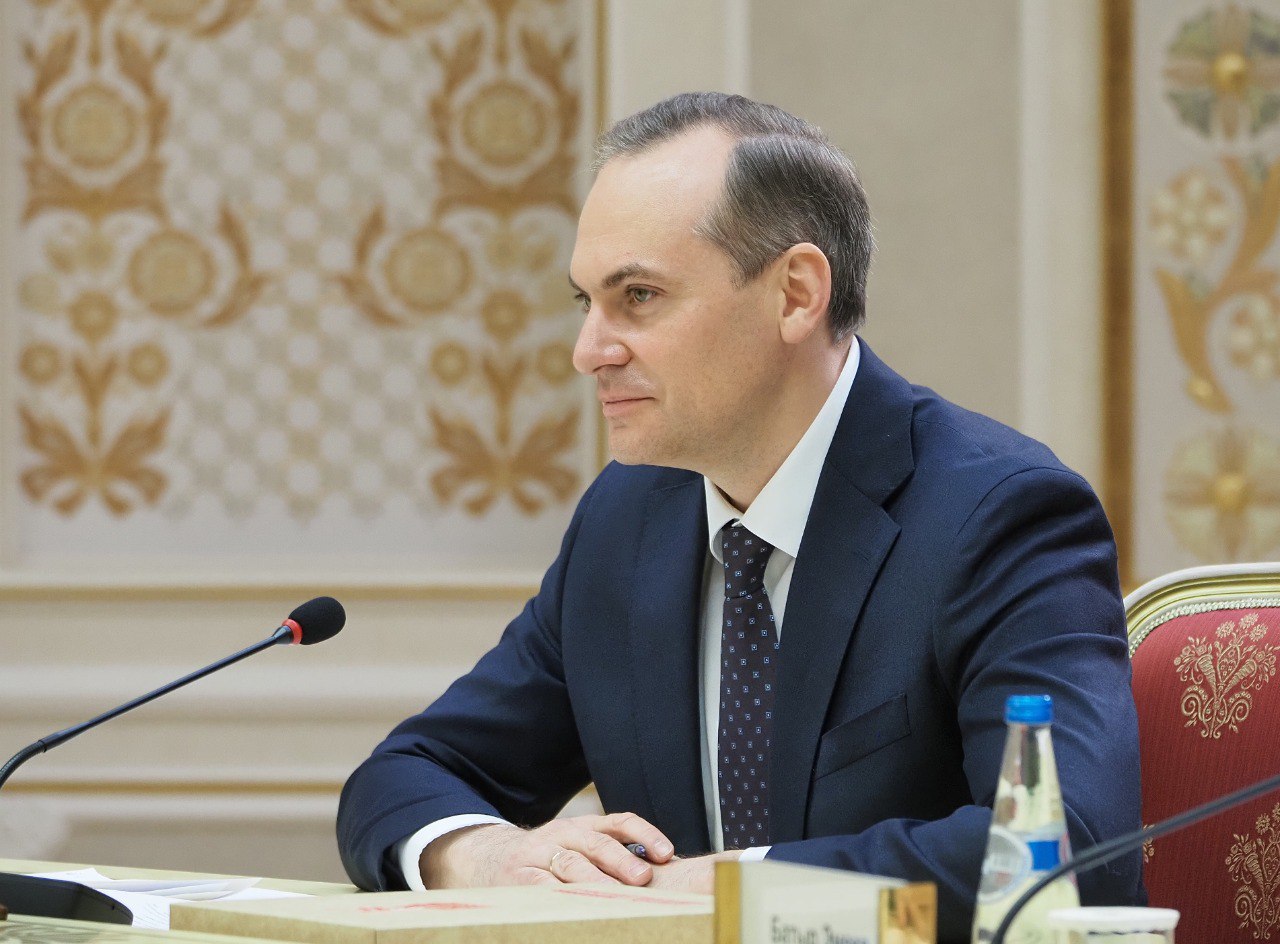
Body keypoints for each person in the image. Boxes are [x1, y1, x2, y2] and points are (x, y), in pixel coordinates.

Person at [336, 92, 1143, 941]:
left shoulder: (998, 515)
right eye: (587, 303)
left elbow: (1065, 854)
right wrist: (488, 856)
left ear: (795, 294)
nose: (589, 351)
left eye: (639, 296)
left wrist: (731, 890)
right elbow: (404, 776)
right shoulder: (627, 523)